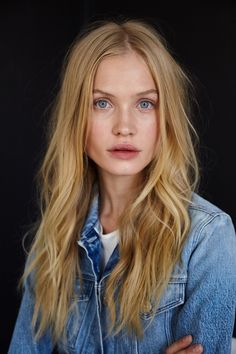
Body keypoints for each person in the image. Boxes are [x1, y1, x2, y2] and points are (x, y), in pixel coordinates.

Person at [8, 18, 236, 354]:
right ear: (77, 117)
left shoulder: (207, 237)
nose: (124, 127)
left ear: (166, 117)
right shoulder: (54, 237)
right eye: (102, 103)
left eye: (145, 103)